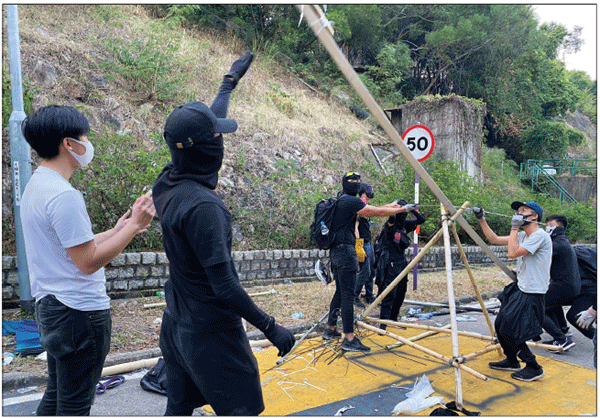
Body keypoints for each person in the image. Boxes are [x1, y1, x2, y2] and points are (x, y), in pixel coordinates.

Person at [152, 52, 295, 416]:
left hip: (177, 323)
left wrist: (228, 83)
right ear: (207, 149)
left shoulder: (168, 182)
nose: (221, 141)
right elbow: (225, 286)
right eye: (217, 137)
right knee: (242, 410)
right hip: (210, 332)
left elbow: (202, 128)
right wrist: (271, 328)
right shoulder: (204, 209)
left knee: (179, 408)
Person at [20, 105, 156, 415]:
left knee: (57, 395)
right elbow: (88, 262)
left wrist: (117, 229)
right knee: (74, 405)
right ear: (68, 144)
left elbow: (71, 248)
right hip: (79, 315)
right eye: (84, 137)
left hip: (53, 308)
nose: (87, 143)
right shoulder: (64, 196)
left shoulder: (37, 186)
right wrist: (134, 226)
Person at [322, 171, 417, 352]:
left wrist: (393, 205)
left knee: (341, 293)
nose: (356, 183)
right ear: (345, 183)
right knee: (348, 296)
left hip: (336, 251)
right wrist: (401, 210)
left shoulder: (343, 199)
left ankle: (330, 329)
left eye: (358, 180)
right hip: (346, 252)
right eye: (352, 180)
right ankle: (349, 339)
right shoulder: (350, 200)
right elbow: (376, 212)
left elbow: (373, 208)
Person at [473, 201, 551, 382]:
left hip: (532, 291)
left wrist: (514, 228)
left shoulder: (540, 236)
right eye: (517, 210)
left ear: (534, 216)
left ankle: (533, 366)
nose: (518, 213)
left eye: (523, 210)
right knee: (500, 324)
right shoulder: (524, 235)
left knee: (510, 329)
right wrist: (481, 219)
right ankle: (511, 360)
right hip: (521, 287)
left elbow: (512, 253)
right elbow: (493, 240)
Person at [374, 199, 425, 330]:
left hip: (401, 262)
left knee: (401, 292)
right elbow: (390, 217)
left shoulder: (405, 225)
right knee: (389, 292)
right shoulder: (390, 224)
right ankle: (383, 324)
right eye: (402, 211)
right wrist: (396, 208)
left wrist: (412, 209)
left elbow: (421, 220)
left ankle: (393, 320)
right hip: (390, 263)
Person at [537, 215, 580, 351]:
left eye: (550, 225)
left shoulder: (558, 244)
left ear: (559, 228)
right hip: (568, 286)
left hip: (564, 286)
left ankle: (561, 340)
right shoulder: (561, 241)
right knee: (550, 302)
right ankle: (563, 329)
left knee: (537, 306)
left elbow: (538, 254)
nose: (547, 227)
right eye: (546, 224)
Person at [354, 183, 376, 308]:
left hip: (368, 242)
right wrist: (358, 245)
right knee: (365, 271)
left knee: (371, 271)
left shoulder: (365, 206)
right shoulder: (359, 206)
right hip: (362, 243)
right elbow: (355, 228)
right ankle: (354, 296)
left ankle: (369, 295)